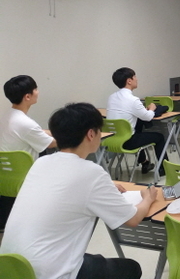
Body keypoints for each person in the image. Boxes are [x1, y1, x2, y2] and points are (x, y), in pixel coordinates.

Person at [0, 102, 158, 279]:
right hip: (51, 274)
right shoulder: (91, 173)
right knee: (131, 268)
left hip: (11, 268)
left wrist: (103, 185)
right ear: (91, 134)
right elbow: (133, 219)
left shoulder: (40, 163)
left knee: (91, 259)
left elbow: (66, 183)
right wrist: (148, 198)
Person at [0, 75, 57, 230]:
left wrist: (50, 132)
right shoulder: (26, 124)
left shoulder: (7, 117)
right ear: (27, 96)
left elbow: (34, 132)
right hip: (26, 177)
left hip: (6, 177)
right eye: (35, 89)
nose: (38, 92)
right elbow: (51, 143)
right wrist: (72, 135)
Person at [106, 67, 167, 175]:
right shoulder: (133, 100)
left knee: (137, 126)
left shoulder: (111, 97)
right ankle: (164, 169)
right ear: (129, 81)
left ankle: (144, 162)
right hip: (128, 142)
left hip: (111, 140)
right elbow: (148, 117)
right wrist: (152, 108)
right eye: (135, 77)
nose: (137, 79)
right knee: (159, 137)